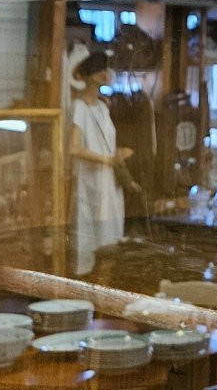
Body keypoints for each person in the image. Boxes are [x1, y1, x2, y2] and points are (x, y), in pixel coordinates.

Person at [69, 49, 134, 276]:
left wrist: (118, 154)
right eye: (104, 69)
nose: (108, 73)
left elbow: (105, 143)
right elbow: (73, 148)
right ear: (95, 75)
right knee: (90, 239)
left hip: (108, 182)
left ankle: (102, 296)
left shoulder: (103, 107)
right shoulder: (80, 108)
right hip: (91, 182)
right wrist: (107, 159)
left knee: (109, 242)